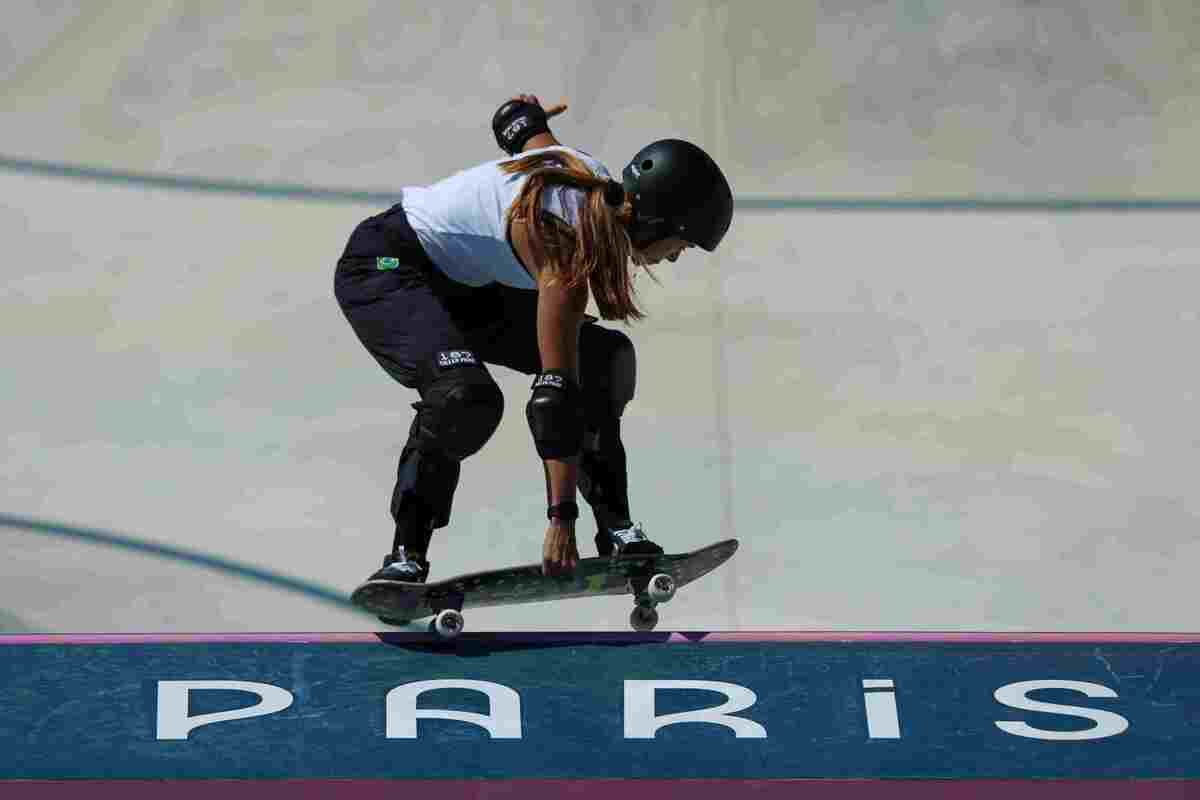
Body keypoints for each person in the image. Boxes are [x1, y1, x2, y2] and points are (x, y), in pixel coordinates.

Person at [333, 94, 733, 588]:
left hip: (467, 288)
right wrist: (560, 519)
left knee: (604, 357)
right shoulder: (566, 250)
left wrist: (522, 115)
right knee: (465, 398)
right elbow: (553, 397)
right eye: (683, 244)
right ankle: (404, 556)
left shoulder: (586, 173)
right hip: (386, 267)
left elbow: (522, 133)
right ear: (657, 221)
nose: (675, 258)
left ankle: (618, 529)